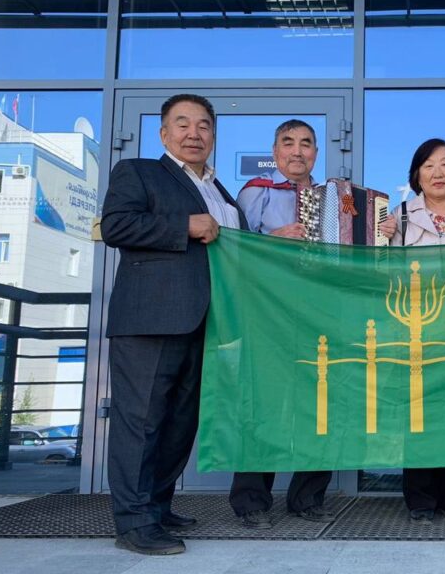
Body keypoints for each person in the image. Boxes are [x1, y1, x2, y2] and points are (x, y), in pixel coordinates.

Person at [101, 94, 247, 555]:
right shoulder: (139, 172)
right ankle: (134, 522)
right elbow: (116, 227)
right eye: (182, 124)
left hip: (207, 324)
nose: (193, 133)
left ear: (214, 135)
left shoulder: (221, 192)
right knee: (141, 422)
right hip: (150, 319)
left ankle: (157, 506)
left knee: (180, 424)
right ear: (164, 133)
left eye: (203, 125)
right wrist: (184, 225)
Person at [228, 119, 335, 528]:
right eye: (288, 143)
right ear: (275, 153)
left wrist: (382, 230)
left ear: (316, 153)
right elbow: (234, 248)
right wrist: (274, 240)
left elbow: (353, 245)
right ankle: (252, 502)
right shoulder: (256, 192)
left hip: (320, 311)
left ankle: (308, 498)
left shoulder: (334, 199)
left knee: (321, 401)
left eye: (306, 144)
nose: (297, 151)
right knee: (264, 404)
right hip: (269, 311)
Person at [377, 138, 445, 523]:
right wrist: (382, 237)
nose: (438, 173)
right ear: (416, 174)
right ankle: (421, 499)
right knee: (420, 414)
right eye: (428, 165)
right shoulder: (402, 215)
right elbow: (383, 273)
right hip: (419, 328)